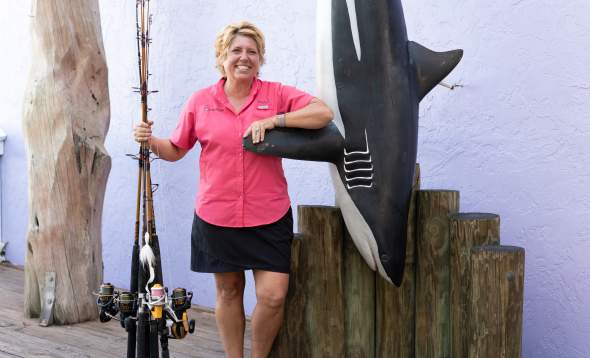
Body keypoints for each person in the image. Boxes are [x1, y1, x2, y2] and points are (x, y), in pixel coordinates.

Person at [133, 21, 333, 358]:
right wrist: (150, 140)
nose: (244, 57)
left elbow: (322, 114)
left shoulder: (276, 95)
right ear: (222, 57)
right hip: (217, 215)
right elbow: (176, 149)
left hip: (268, 214)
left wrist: (275, 121)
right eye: (236, 51)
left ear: (260, 59)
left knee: (273, 295)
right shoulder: (200, 102)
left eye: (252, 52)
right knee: (228, 293)